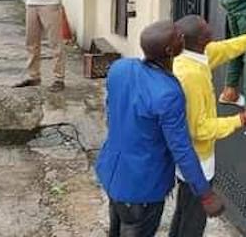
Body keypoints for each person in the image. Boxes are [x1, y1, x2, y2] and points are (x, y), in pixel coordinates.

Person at [96, 20, 225, 237]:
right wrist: (205, 194)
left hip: (113, 172)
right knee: (136, 228)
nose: (182, 34)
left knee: (117, 228)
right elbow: (181, 147)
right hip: (142, 186)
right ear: (169, 50)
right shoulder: (167, 92)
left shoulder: (121, 68)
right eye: (178, 36)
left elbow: (112, 112)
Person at [168, 14, 246, 237]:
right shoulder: (190, 75)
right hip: (196, 161)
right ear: (202, 41)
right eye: (207, 31)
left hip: (191, 160)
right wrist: (240, 119)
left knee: (185, 212)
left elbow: (228, 48)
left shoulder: (193, 55)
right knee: (193, 223)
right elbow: (199, 129)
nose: (212, 31)